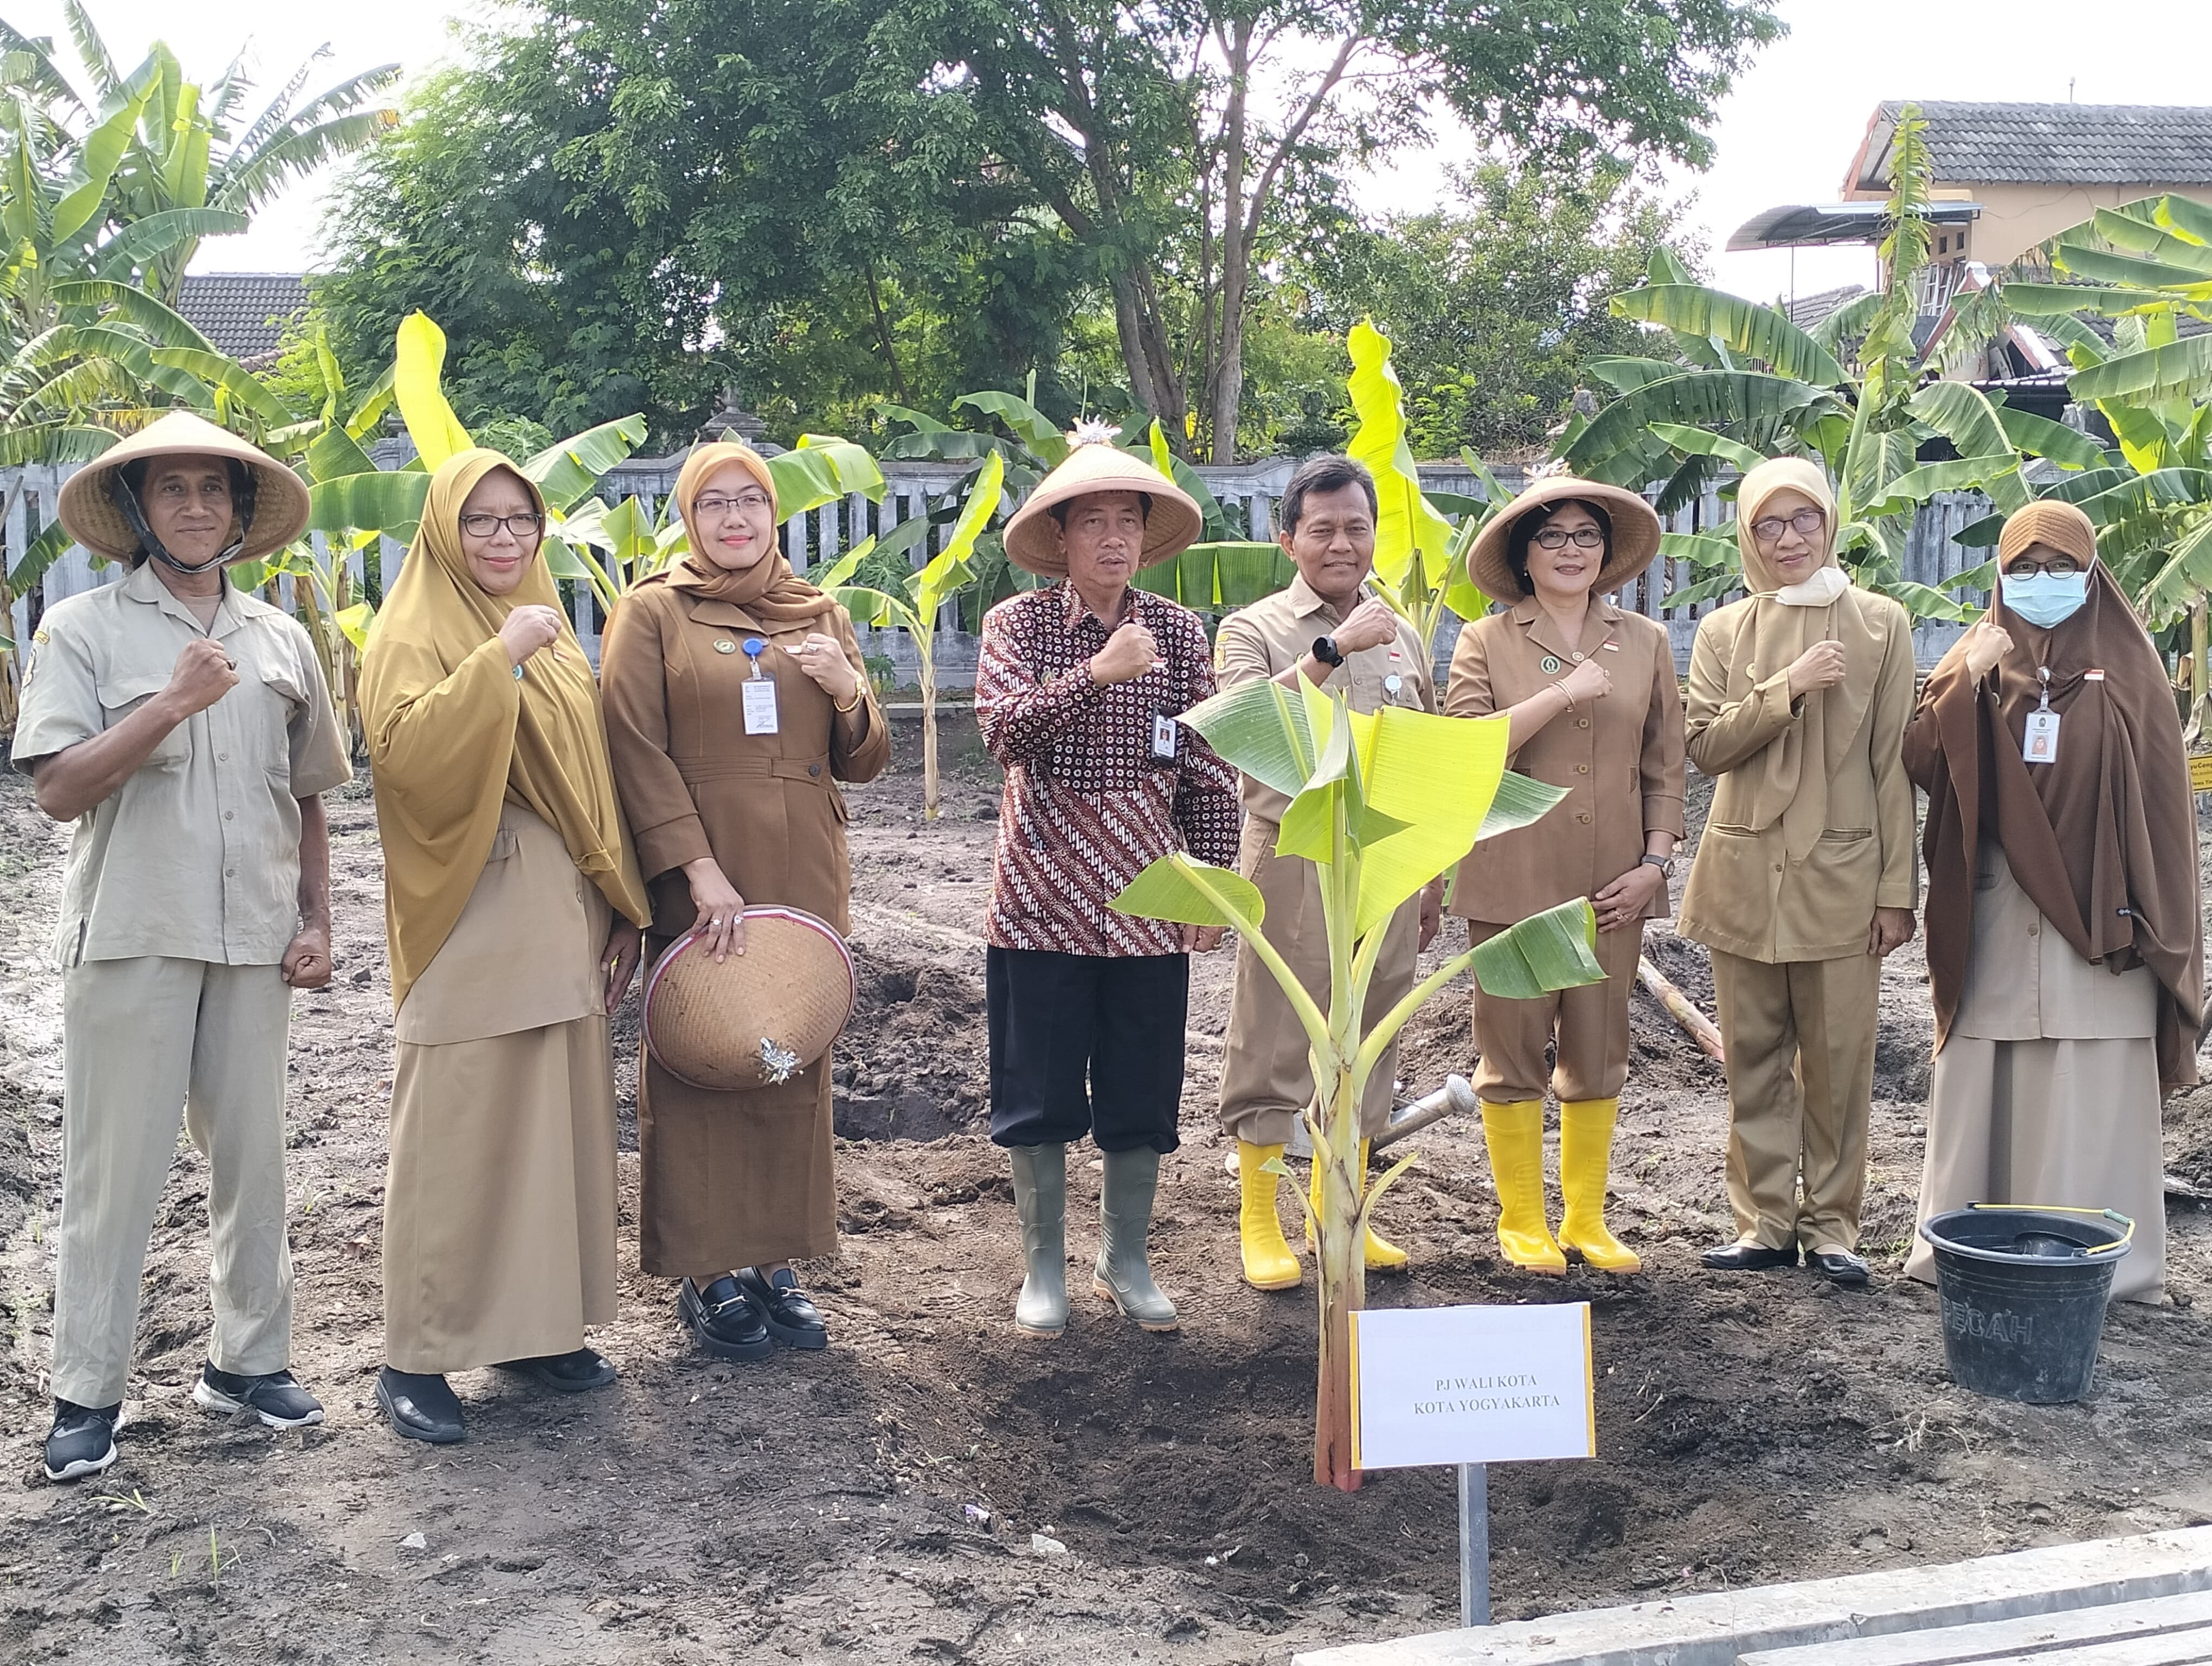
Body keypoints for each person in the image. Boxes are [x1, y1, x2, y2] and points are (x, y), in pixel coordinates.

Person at [13, 412, 350, 1481]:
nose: (198, 506)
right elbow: (59, 791)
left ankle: (248, 1363)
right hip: (133, 937)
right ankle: (86, 1391)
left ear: (242, 515)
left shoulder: (284, 642)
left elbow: (306, 799)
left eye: (217, 489)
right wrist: (170, 703)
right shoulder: (81, 630)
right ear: (138, 512)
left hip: (254, 942)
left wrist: (316, 921)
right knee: (114, 1169)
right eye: (174, 490)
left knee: (253, 1158)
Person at [358, 448, 651, 1444]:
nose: (503, 539)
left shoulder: (552, 627)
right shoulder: (420, 626)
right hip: (471, 913)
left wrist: (618, 907)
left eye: (519, 522)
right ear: (445, 529)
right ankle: (415, 1354)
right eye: (480, 522)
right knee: (458, 1130)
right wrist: (501, 659)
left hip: (561, 909)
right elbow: (402, 761)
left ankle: (534, 1332)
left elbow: (593, 776)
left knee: (550, 1128)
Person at [600, 441, 889, 1360]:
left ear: (775, 514)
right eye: (715, 503)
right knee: (702, 1049)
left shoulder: (820, 612)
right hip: (707, 874)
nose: (735, 518)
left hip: (805, 867)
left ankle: (775, 1260)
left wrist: (852, 694)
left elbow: (863, 759)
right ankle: (706, 1269)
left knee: (788, 1055)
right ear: (689, 519)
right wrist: (693, 866)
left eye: (751, 502)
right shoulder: (652, 612)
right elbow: (633, 747)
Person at [977, 427, 1240, 1337]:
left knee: (1141, 1086)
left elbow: (1205, 762)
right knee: (1038, 1091)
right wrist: (1095, 673)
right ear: (1060, 538)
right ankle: (1040, 1267)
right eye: (1093, 523)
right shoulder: (1018, 626)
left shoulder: (1178, 629)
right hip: (1040, 898)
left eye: (1127, 521)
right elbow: (1006, 736)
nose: (1113, 538)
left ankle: (1126, 1257)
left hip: (1149, 903)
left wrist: (1210, 886)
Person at [1902, 499, 2201, 1303]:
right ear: (2001, 575)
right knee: (1983, 1068)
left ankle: (2108, 1264)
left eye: (2060, 568)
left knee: (2088, 1076)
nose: (2042, 583)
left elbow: (2164, 815)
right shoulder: (1972, 656)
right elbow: (1924, 763)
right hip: (1999, 908)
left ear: (2090, 572)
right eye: (2024, 569)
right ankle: (1963, 1249)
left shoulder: (2132, 668)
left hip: (2106, 919)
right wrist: (1968, 681)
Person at [1677, 456, 1918, 1286]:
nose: (1789, 539)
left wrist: (1897, 893)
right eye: (1769, 525)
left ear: (1830, 522)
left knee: (1841, 1061)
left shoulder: (1884, 624)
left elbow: (1891, 766)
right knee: (1751, 1057)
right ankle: (1764, 1223)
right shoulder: (1723, 631)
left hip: (1845, 878)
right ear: (1748, 535)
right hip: (1743, 874)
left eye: (1803, 520)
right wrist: (1787, 685)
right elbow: (1705, 748)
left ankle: (1834, 1229)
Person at [1444, 475, 1684, 1276]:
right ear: (1524, 555)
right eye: (1554, 537)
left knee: (1599, 1047)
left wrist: (1655, 863)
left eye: (1587, 536)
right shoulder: (1487, 641)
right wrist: (1561, 692)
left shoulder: (1646, 640)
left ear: (1606, 553)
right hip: (1513, 878)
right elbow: (1467, 752)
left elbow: (1664, 767)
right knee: (1511, 1053)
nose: (1573, 549)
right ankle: (1521, 1220)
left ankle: (1585, 1218)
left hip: (1615, 885)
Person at [1213, 454, 1440, 1290]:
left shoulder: (1405, 632)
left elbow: (1423, 751)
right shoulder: (1253, 627)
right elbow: (1242, 723)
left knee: (1371, 1032)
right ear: (1289, 539)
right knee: (1277, 1029)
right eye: (1323, 529)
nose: (1342, 543)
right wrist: (1332, 647)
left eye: (1356, 527)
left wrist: (1431, 874)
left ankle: (1340, 1209)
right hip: (1294, 848)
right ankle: (1260, 1220)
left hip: (1385, 856)